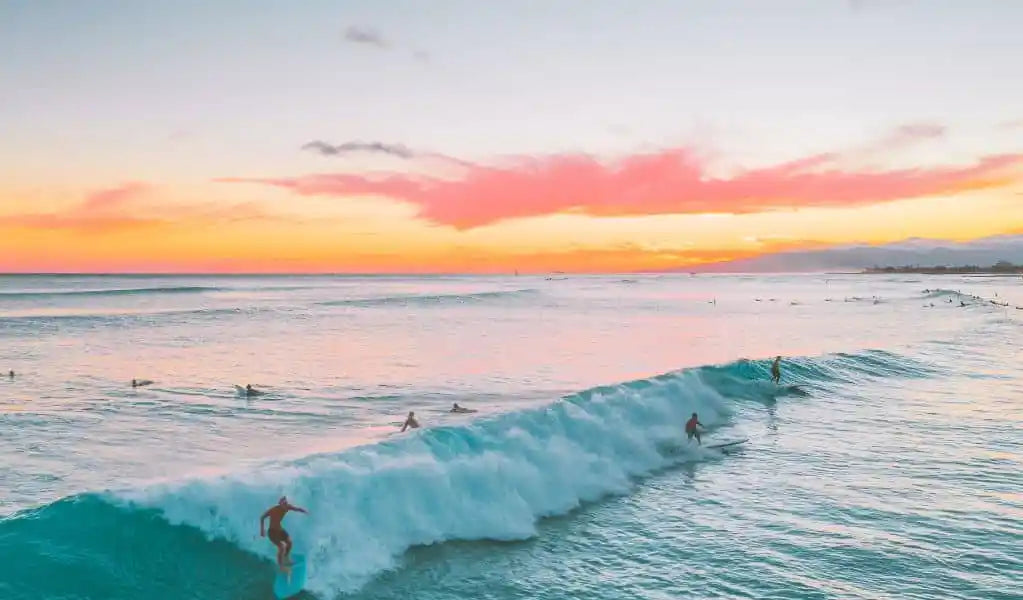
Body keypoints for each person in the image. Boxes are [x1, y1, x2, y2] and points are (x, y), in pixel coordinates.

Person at [260, 496, 308, 570]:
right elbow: (262, 517)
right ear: (280, 504)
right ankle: (281, 565)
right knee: (282, 547)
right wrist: (262, 530)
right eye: (283, 504)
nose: (285, 505)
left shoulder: (288, 507)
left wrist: (305, 511)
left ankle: (285, 558)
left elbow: (296, 509)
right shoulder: (273, 509)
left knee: (289, 542)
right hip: (272, 532)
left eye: (286, 503)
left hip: (280, 530)